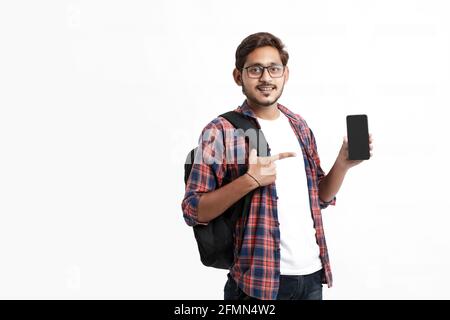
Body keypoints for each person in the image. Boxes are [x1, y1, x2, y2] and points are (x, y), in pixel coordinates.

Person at [181, 32, 373, 300]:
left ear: (285, 74)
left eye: (273, 69)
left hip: (312, 277)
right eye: (255, 70)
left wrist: (343, 164)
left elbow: (319, 198)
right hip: (258, 283)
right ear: (239, 76)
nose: (266, 78)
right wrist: (250, 180)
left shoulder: (299, 125)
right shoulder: (221, 131)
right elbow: (193, 210)